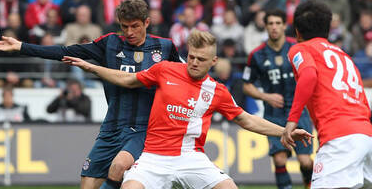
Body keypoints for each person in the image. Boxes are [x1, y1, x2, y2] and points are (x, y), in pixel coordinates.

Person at [62, 29, 313, 189]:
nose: (193, 62)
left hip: (191, 157)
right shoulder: (165, 70)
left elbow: (247, 120)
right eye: (191, 56)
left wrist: (285, 131)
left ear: (213, 62)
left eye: (201, 59)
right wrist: (92, 67)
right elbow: (126, 79)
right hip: (154, 156)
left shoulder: (217, 91)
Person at [0, 0, 183, 189]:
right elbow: (65, 51)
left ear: (146, 22)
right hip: (111, 128)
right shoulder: (110, 44)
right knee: (87, 184)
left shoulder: (164, 48)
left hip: (143, 129)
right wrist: (22, 47)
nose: (129, 32)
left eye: (135, 26)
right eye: (125, 27)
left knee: (119, 166)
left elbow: (189, 75)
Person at [281, 0, 372, 189]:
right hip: (365, 134)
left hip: (339, 138)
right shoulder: (344, 55)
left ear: (297, 31)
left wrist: (292, 121)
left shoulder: (300, 49)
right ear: (328, 29)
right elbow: (362, 98)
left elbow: (308, 75)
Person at [242, 9, 313, 189]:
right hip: (274, 115)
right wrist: (265, 96)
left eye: (278, 23)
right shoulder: (257, 54)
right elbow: (246, 85)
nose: (274, 27)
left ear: (284, 26)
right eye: (270, 23)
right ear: (265, 26)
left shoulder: (297, 48)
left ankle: (308, 185)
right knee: (279, 159)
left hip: (299, 113)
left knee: (306, 162)